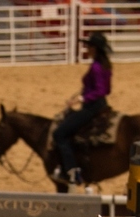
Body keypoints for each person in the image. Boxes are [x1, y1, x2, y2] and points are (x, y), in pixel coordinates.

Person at [52, 31, 113, 186]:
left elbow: (99, 91)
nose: (86, 48)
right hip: (101, 105)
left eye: (88, 46)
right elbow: (107, 90)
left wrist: (82, 98)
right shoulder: (106, 66)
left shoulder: (96, 67)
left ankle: (73, 172)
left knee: (60, 133)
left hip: (91, 107)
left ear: (95, 48)